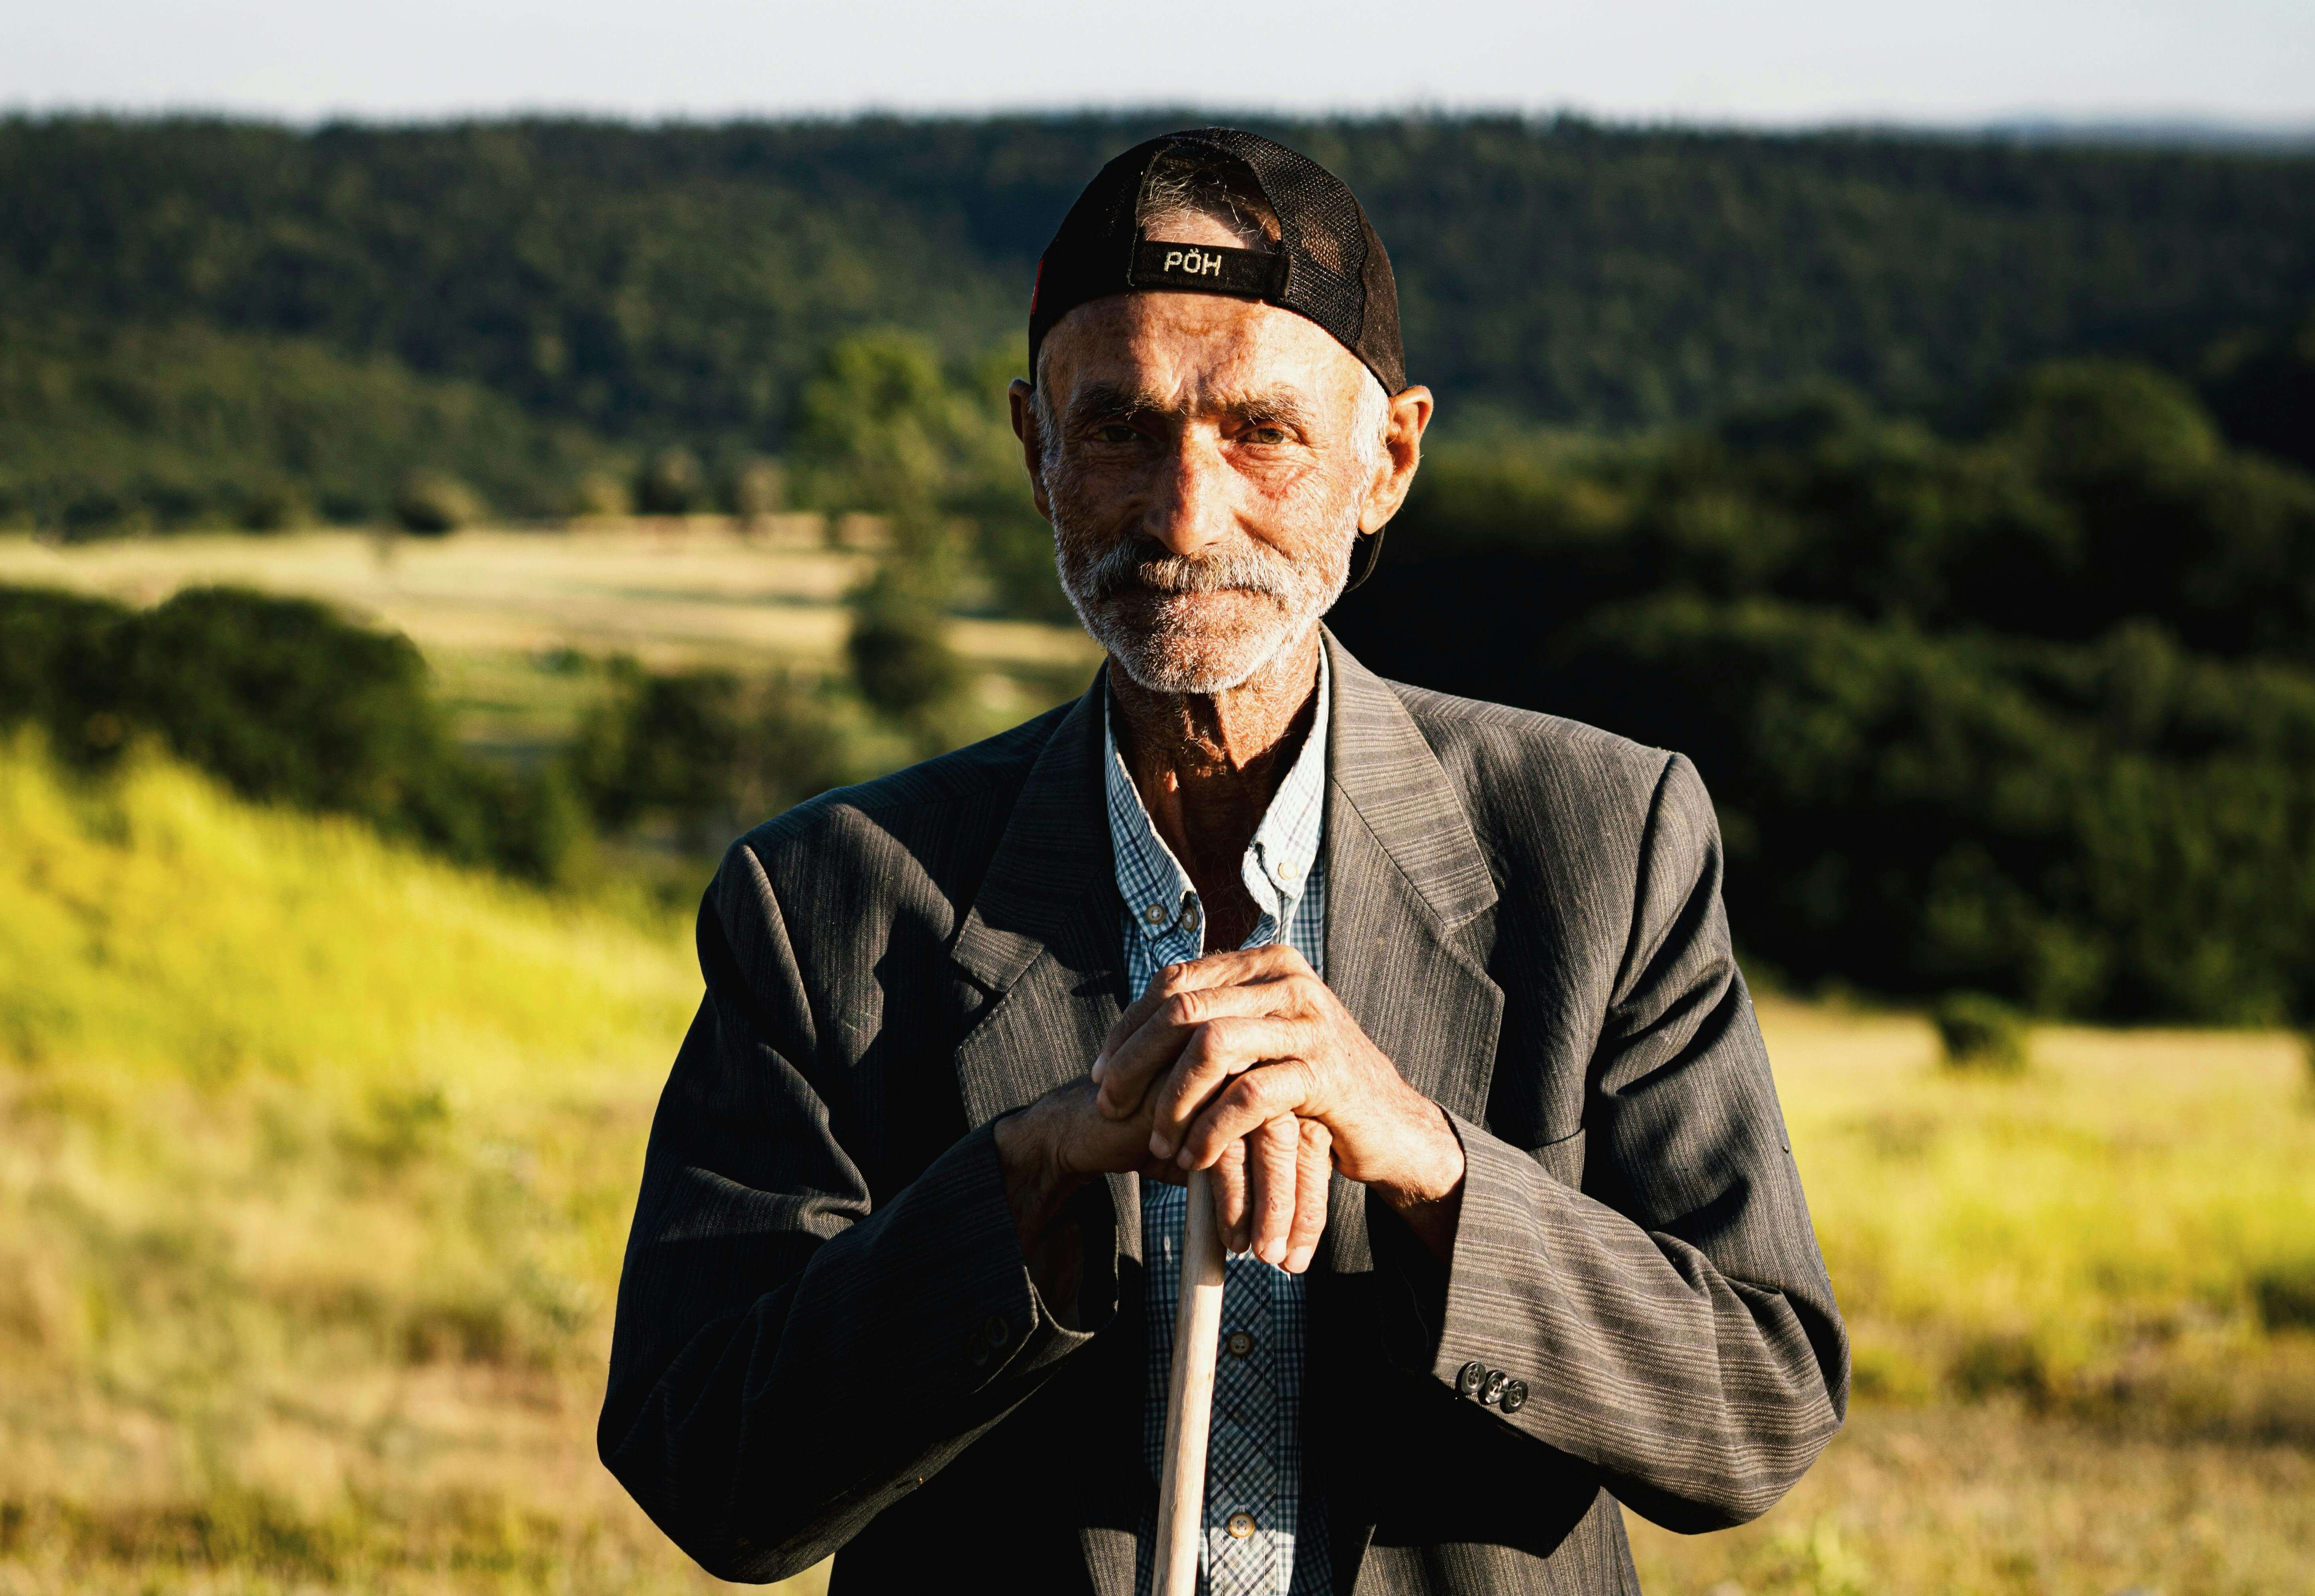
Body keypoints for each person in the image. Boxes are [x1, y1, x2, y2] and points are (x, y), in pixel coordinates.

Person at [599, 127, 1847, 1596]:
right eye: (1119, 428)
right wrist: (1027, 1176)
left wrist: (1435, 1166)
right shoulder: (823, 902)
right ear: (1034, 447)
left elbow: (1756, 1414)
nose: (1184, 516)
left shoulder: (1605, 842)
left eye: (1262, 433)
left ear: (1391, 458)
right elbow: (709, 1470)